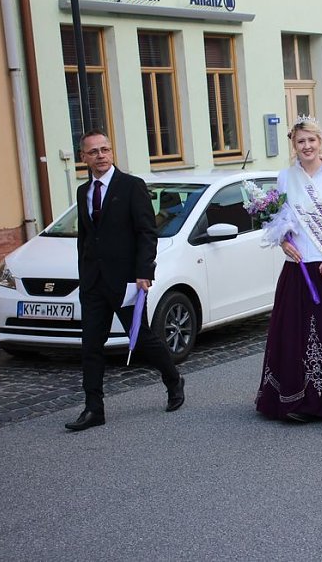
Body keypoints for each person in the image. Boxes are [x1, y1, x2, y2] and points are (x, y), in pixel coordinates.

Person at [65, 129, 184, 431]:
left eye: (105, 149)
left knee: (141, 338)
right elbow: (86, 238)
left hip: (128, 281)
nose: (101, 156)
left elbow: (147, 232)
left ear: (112, 152)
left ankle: (173, 380)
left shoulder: (131, 186)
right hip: (93, 283)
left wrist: (144, 272)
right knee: (91, 345)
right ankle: (94, 409)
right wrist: (84, 274)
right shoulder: (84, 192)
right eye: (94, 152)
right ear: (84, 158)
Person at [255, 117, 322, 422]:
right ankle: (296, 400)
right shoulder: (285, 177)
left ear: (320, 141)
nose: (307, 146)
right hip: (297, 268)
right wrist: (283, 242)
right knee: (294, 334)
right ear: (294, 145)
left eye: (311, 140)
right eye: (301, 142)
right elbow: (280, 221)